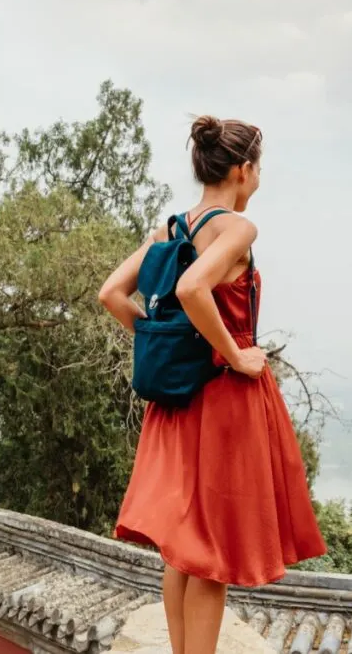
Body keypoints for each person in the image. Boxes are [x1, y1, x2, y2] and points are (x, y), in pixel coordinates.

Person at [98, 116, 326, 654]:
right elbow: (193, 286)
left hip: (177, 399)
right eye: (260, 169)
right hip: (223, 398)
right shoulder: (237, 229)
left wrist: (165, 342)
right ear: (243, 170)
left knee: (183, 545)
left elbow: (111, 292)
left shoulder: (173, 228)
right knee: (213, 550)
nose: (260, 180)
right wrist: (233, 356)